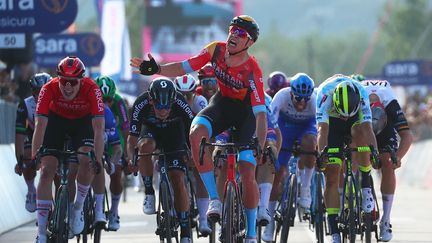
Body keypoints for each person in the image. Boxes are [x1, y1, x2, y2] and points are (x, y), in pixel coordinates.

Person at [130, 15, 266, 242]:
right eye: (233, 29)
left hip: (246, 116)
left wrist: (259, 144)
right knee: (196, 133)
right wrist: (157, 69)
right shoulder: (215, 50)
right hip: (221, 106)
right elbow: (185, 66)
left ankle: (251, 232)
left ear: (249, 43)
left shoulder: (252, 70)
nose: (234, 34)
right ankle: (214, 198)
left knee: (247, 170)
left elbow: (260, 114)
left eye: (241, 34)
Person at [32, 56, 105, 243]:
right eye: (64, 81)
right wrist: (35, 156)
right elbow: (40, 124)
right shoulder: (49, 88)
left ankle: (77, 209)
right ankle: (41, 233)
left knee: (87, 162)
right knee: (47, 171)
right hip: (57, 122)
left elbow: (98, 128)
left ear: (81, 80)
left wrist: (97, 159)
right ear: (58, 79)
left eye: (73, 82)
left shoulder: (92, 88)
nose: (68, 87)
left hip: (83, 123)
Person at [126, 78, 195, 243]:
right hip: (151, 131)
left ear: (173, 101)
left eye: (167, 107)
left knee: (177, 178)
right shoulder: (140, 103)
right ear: (151, 100)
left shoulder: (181, 102)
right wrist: (131, 159)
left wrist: (193, 154)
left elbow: (192, 133)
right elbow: (132, 139)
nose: (163, 111)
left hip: (175, 134)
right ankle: (149, 191)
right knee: (144, 148)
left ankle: (185, 228)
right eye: (158, 106)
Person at [315, 74, 377, 243]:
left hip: (356, 123)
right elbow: (322, 131)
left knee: (360, 133)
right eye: (343, 114)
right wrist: (322, 154)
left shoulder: (362, 94)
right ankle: (334, 229)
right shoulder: (324, 95)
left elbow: (368, 129)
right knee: (332, 176)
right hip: (332, 125)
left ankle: (365, 184)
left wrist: (375, 153)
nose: (345, 117)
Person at [262, 73, 317, 241]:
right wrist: (274, 149)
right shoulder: (281, 97)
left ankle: (305, 189)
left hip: (306, 127)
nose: (302, 103)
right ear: (291, 93)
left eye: (305, 99)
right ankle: (269, 222)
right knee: (277, 174)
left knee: (311, 143)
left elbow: (322, 127)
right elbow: (272, 125)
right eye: (298, 98)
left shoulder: (314, 101)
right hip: (284, 128)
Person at [361, 79, 413, 242]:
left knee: (388, 163)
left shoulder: (391, 104)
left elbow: (407, 136)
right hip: (362, 125)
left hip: (385, 129)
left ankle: (386, 220)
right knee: (356, 155)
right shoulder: (359, 102)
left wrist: (398, 157)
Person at [174, 74, 212, 235]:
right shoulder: (169, 102)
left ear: (194, 93)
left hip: (195, 137)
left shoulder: (200, 101)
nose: (184, 98)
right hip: (177, 136)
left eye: (187, 95)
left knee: (200, 172)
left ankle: (203, 219)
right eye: (180, 95)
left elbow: (206, 131)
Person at [14, 72, 52, 213]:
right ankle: (31, 190)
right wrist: (20, 162)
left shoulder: (56, 102)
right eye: (36, 91)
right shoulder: (25, 105)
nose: (40, 95)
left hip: (52, 134)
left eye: (43, 91)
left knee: (58, 168)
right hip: (32, 133)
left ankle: (61, 202)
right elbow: (19, 135)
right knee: (27, 157)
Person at [95, 76, 128, 231]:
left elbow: (127, 128)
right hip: (95, 136)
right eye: (102, 100)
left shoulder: (119, 101)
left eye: (109, 100)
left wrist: (126, 155)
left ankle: (114, 211)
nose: (106, 104)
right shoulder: (91, 101)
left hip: (115, 137)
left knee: (116, 174)